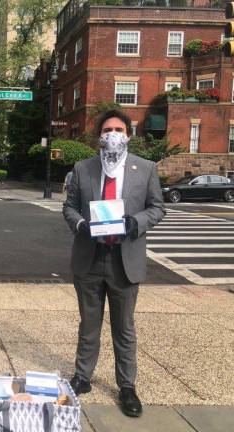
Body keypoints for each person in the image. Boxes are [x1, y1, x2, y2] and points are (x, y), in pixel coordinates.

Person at [62, 110, 165, 417]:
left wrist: (135, 222)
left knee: (124, 328)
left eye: (119, 129)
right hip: (90, 258)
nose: (113, 134)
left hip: (125, 259)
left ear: (128, 134)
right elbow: (69, 207)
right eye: (107, 129)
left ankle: (127, 386)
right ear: (99, 136)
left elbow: (157, 208)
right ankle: (82, 376)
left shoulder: (144, 169)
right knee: (88, 324)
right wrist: (81, 225)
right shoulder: (84, 168)